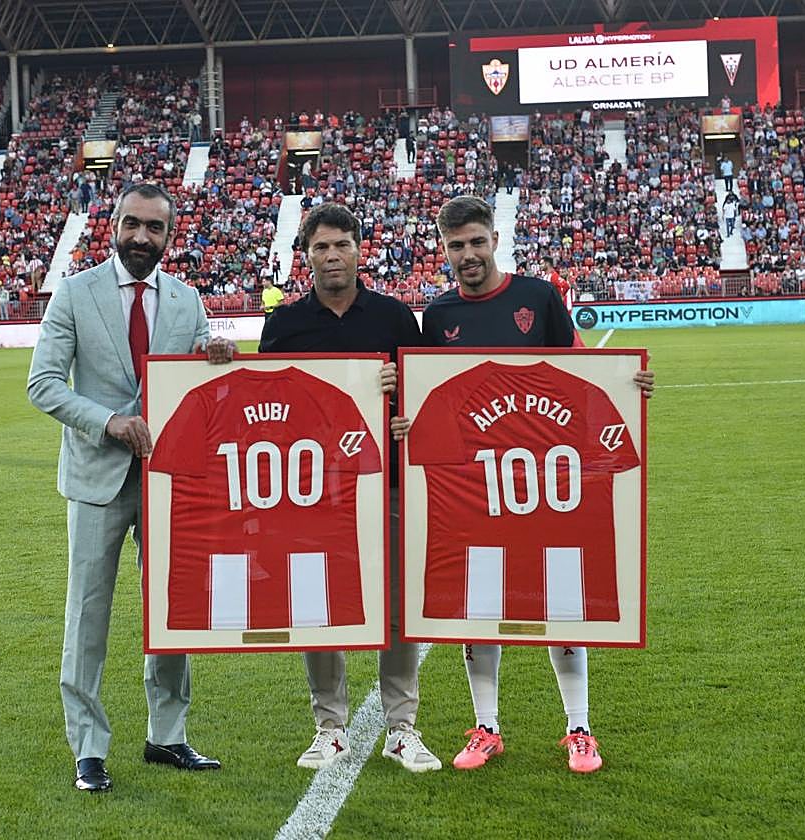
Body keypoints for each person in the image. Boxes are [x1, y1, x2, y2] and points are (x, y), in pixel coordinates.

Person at [408, 196, 654, 775]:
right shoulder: (438, 315)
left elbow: (576, 372)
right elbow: (429, 396)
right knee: (480, 604)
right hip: (476, 483)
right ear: (443, 250)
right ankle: (487, 726)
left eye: (475, 241)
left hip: (550, 476)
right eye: (454, 246)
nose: (467, 254)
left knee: (562, 601)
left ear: (494, 239)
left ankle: (579, 729)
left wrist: (625, 386)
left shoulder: (538, 297)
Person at [27, 183, 236, 794]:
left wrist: (214, 353)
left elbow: (199, 376)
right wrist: (107, 421)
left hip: (171, 481)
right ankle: (88, 746)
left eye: (156, 228)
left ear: (170, 236)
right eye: (133, 224)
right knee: (88, 614)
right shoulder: (74, 292)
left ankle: (167, 735)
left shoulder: (186, 298)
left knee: (171, 611)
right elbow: (42, 384)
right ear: (113, 225)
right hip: (97, 478)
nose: (142, 237)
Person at [259, 202, 440, 773]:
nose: (331, 255)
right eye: (320, 247)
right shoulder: (284, 324)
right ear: (306, 255)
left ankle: (402, 727)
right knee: (318, 601)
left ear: (360, 249)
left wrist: (400, 394)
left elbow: (426, 398)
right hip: (313, 487)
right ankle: (328, 726)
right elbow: (265, 404)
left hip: (382, 479)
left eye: (341, 245)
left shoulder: (393, 318)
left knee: (395, 604)